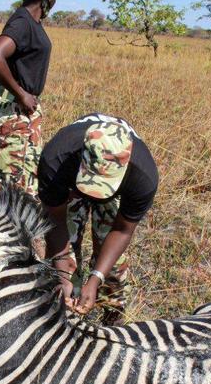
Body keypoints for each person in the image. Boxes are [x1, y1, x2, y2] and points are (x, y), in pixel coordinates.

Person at [39, 114, 159, 324]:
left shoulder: (143, 177)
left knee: (112, 264)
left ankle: (113, 319)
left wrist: (96, 279)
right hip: (71, 185)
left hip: (116, 191)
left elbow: (122, 230)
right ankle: (65, 311)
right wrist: (63, 276)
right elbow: (55, 221)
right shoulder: (56, 160)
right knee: (62, 264)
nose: (94, 196)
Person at [0, 0, 56, 196]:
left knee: (24, 181)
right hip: (13, 110)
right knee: (13, 186)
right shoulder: (23, 22)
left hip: (21, 110)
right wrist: (21, 93)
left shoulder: (32, 21)